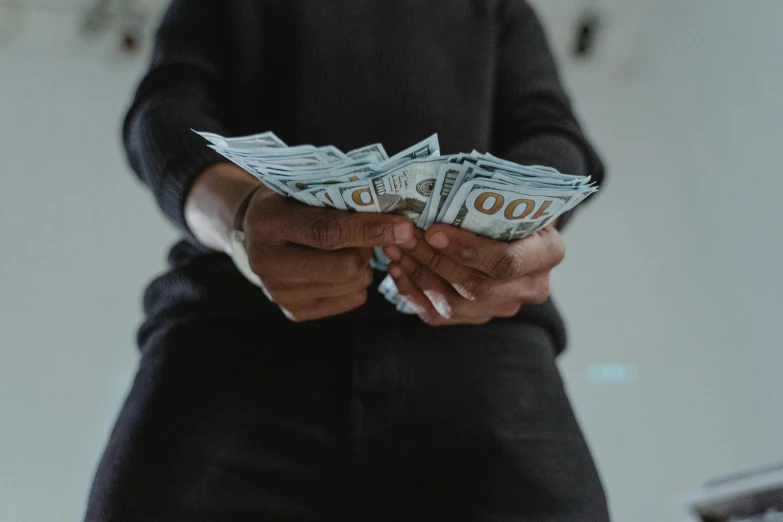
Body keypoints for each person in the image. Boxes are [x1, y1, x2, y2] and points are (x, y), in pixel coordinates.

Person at [85, 1, 610, 520]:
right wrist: (239, 219)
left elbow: (551, 133)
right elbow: (166, 111)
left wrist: (520, 235)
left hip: (485, 352)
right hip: (229, 340)